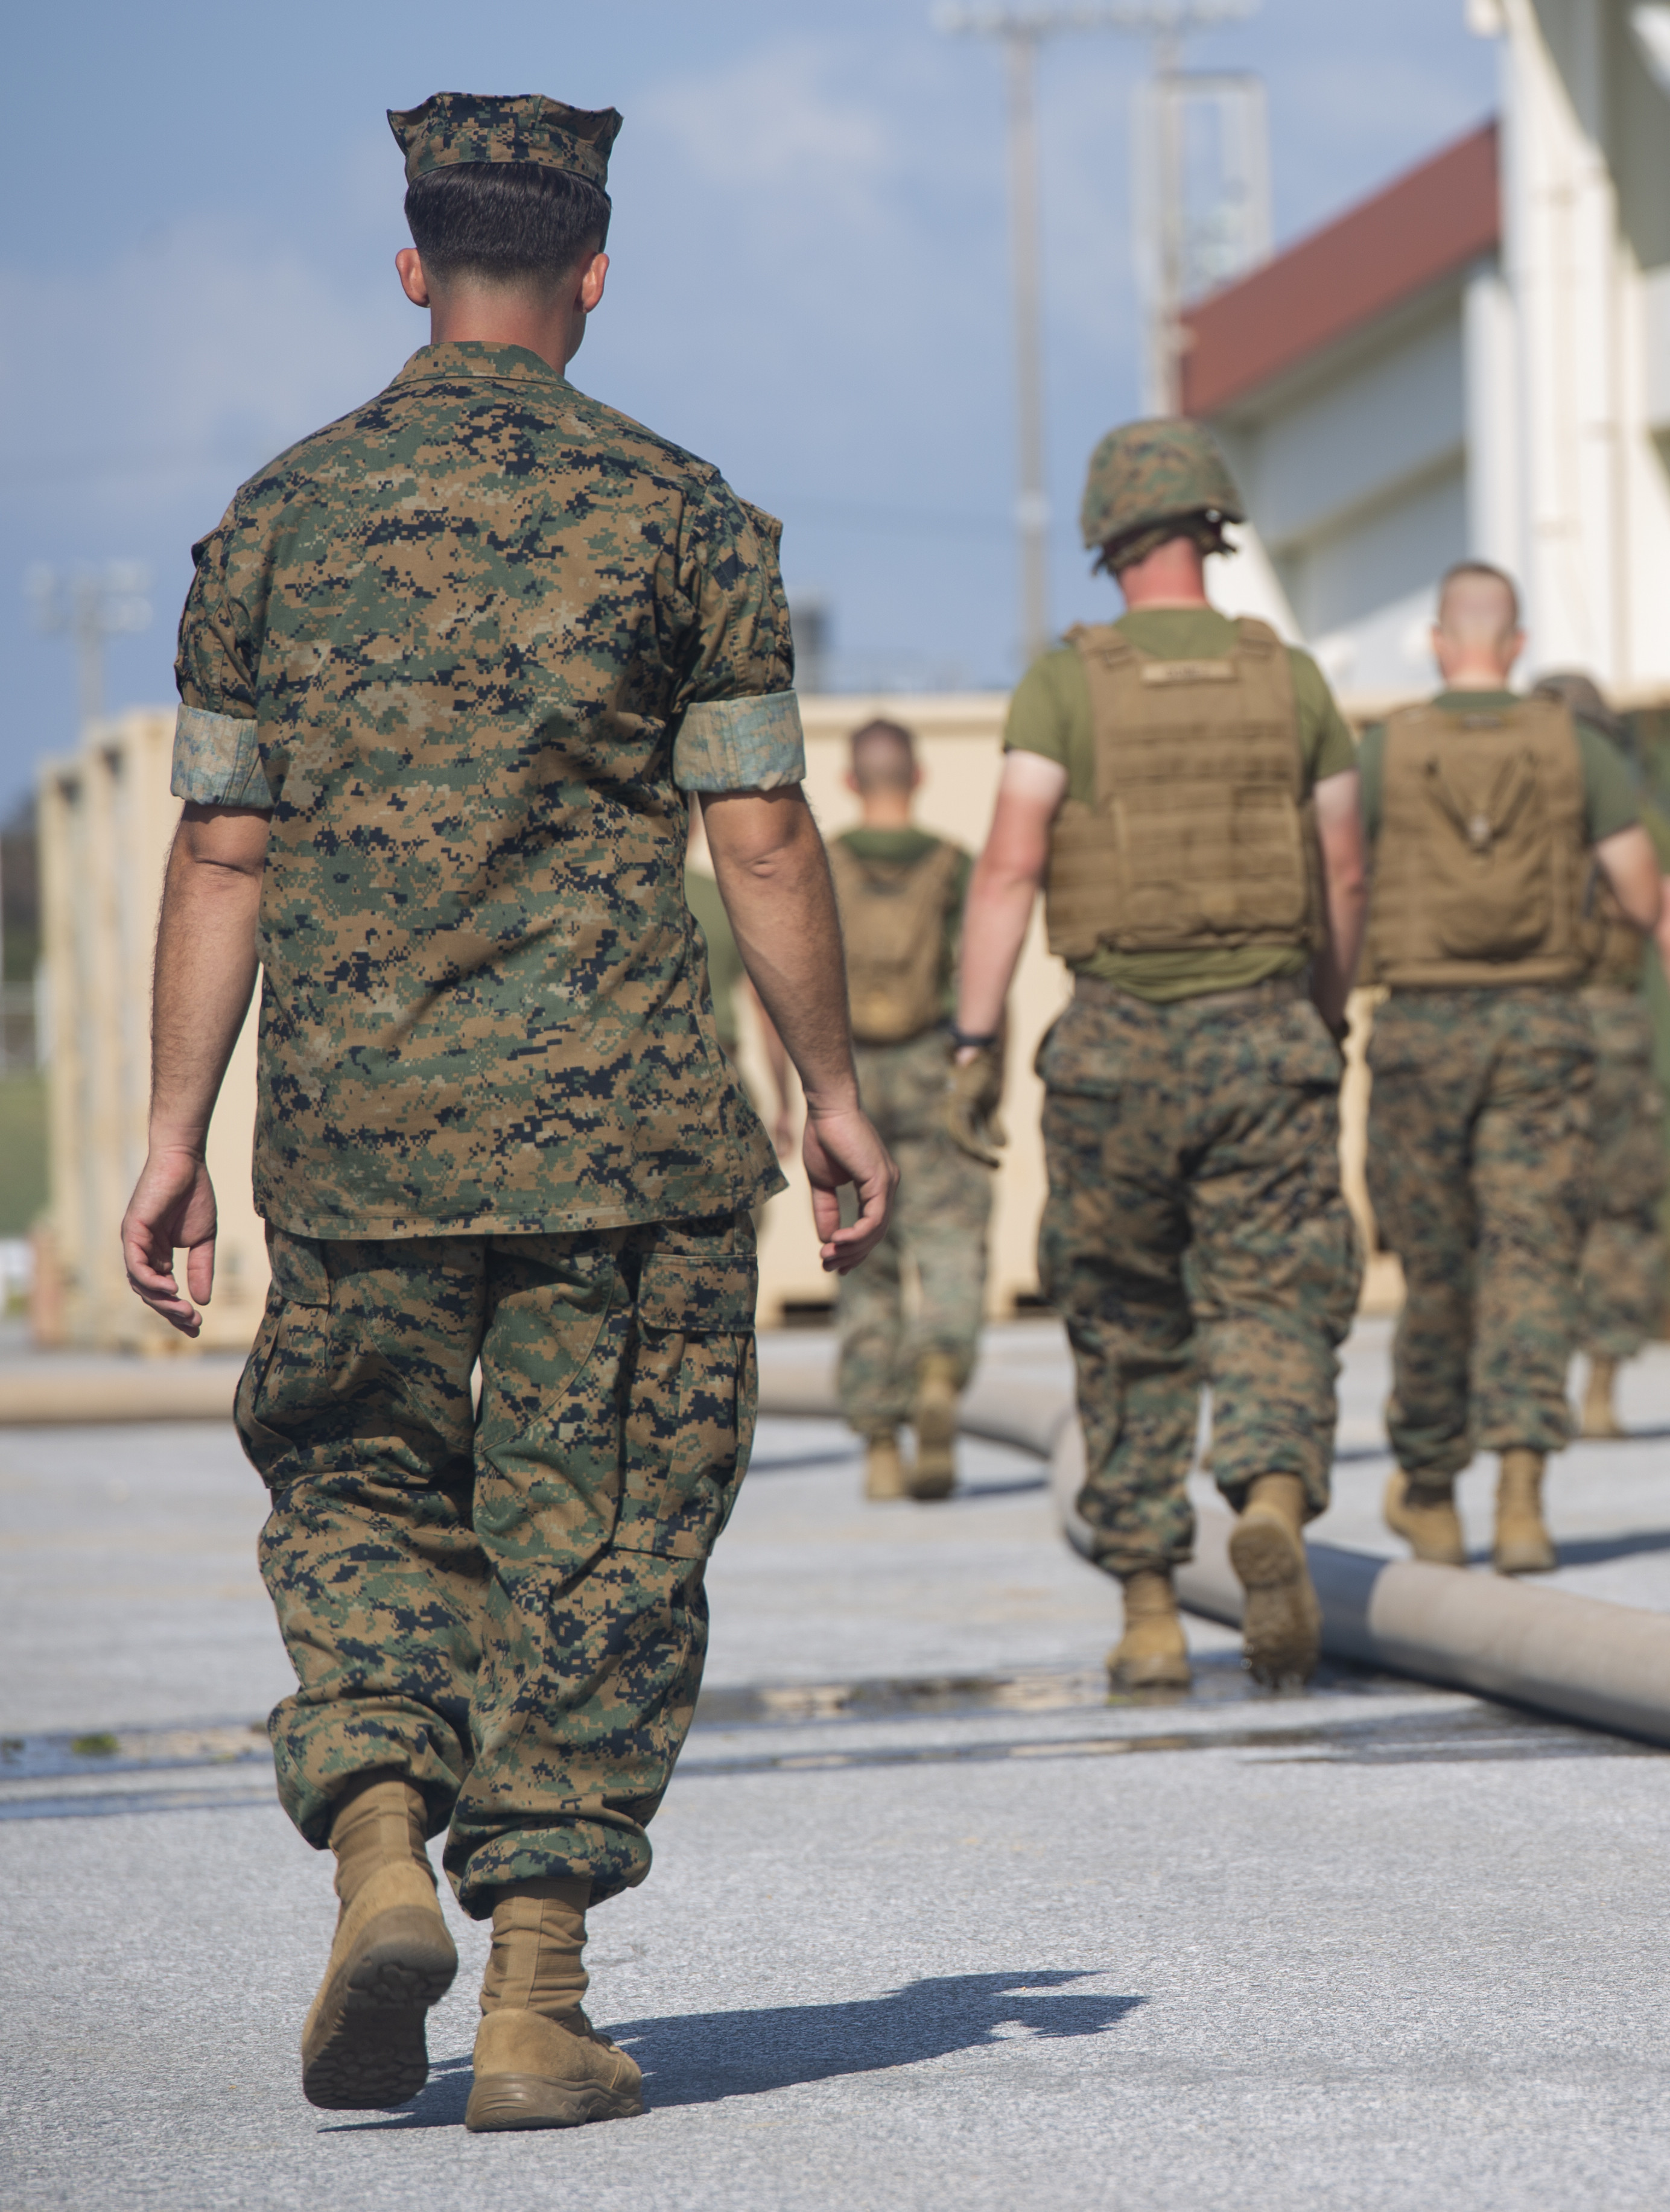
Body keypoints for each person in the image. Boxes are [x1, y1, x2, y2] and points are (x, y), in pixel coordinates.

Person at [119, 93, 892, 2131]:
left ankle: (380, 1832)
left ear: (415, 275)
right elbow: (761, 825)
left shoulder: (277, 520)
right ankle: (539, 1998)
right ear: (593, 279)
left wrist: (173, 1134)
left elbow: (218, 848)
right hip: (623, 1142)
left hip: (361, 1144)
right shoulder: (683, 515)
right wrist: (835, 1088)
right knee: (604, 1544)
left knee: (360, 1495)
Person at [947, 419, 1364, 1693]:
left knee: (1126, 1319)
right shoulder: (1289, 677)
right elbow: (1342, 865)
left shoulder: (1063, 685)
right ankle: (1274, 1506)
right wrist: (1325, 1015)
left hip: (1114, 1046)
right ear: (1215, 529)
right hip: (1265, 1032)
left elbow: (1012, 866)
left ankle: (1146, 1613)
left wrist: (975, 1039)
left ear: (1107, 543)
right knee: (1276, 1295)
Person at [1365, 567, 1665, 1573]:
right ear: (1518, 639)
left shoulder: (1388, 750)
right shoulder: (1577, 748)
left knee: (1437, 1268)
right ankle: (1525, 1500)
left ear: (1441, 640)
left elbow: (1338, 874)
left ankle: (1434, 1494)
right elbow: (1641, 893)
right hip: (1544, 1025)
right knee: (1534, 1257)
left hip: (1419, 1028)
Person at [1526, 672, 1670, 1437]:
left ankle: (1523, 1387)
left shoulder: (1506, 810)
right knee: (1617, 1208)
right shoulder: (1638, 817)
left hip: (1516, 1020)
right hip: (1609, 1025)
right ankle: (1600, 1392)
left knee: (1521, 1206)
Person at [787, 718, 992, 1503]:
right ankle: (939, 1374)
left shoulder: (822, 866)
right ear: (919, 776)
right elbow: (979, 972)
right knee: (949, 1238)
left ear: (848, 780)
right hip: (933, 1063)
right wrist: (983, 1071)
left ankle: (879, 1440)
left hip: (848, 1077)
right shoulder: (954, 866)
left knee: (858, 1253)